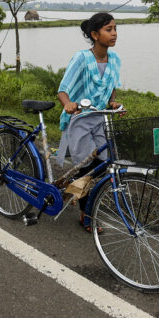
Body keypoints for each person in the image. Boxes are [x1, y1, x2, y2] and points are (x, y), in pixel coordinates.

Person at [57, 12, 122, 232]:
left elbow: (112, 85)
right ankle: (86, 213)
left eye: (114, 29)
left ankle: (69, 185)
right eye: (108, 30)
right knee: (87, 167)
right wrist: (68, 104)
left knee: (104, 164)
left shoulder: (115, 59)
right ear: (95, 35)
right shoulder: (82, 58)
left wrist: (112, 102)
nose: (114, 34)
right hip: (80, 119)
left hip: (101, 118)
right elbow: (63, 90)